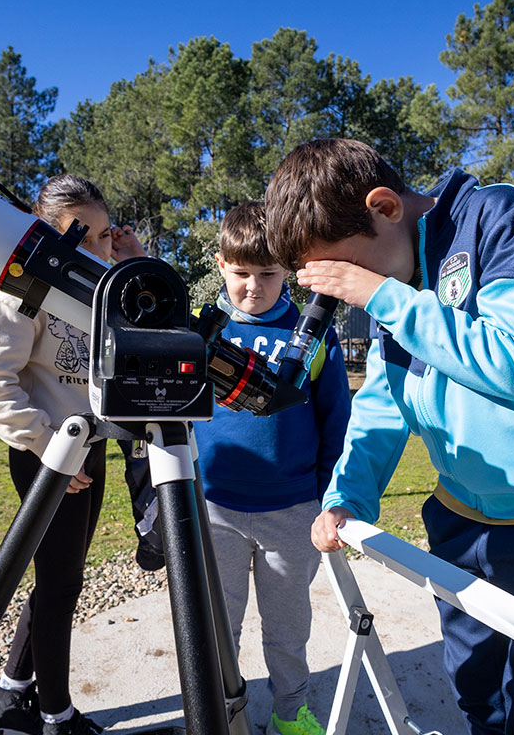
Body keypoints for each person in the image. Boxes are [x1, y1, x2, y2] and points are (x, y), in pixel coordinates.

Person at [262, 139, 514, 735]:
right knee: (480, 697)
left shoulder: (503, 220)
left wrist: (382, 296)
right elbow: (384, 402)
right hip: (463, 518)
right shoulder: (397, 281)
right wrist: (346, 496)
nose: (346, 292)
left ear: (385, 207)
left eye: (346, 272)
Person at [0, 174, 145, 735]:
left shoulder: (106, 290)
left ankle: (11, 695)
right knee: (63, 586)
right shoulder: (26, 291)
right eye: (78, 237)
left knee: (56, 578)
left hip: (88, 453)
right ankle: (55, 715)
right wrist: (46, 446)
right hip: (50, 457)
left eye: (103, 234)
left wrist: (137, 262)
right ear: (46, 236)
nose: (95, 247)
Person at [192, 202, 351, 735]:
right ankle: (222, 714)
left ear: (287, 269)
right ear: (220, 265)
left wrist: (331, 498)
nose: (254, 287)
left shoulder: (316, 335)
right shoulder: (197, 338)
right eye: (241, 274)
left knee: (288, 630)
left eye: (267, 273)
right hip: (215, 509)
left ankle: (292, 713)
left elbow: (336, 421)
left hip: (293, 510)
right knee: (219, 629)